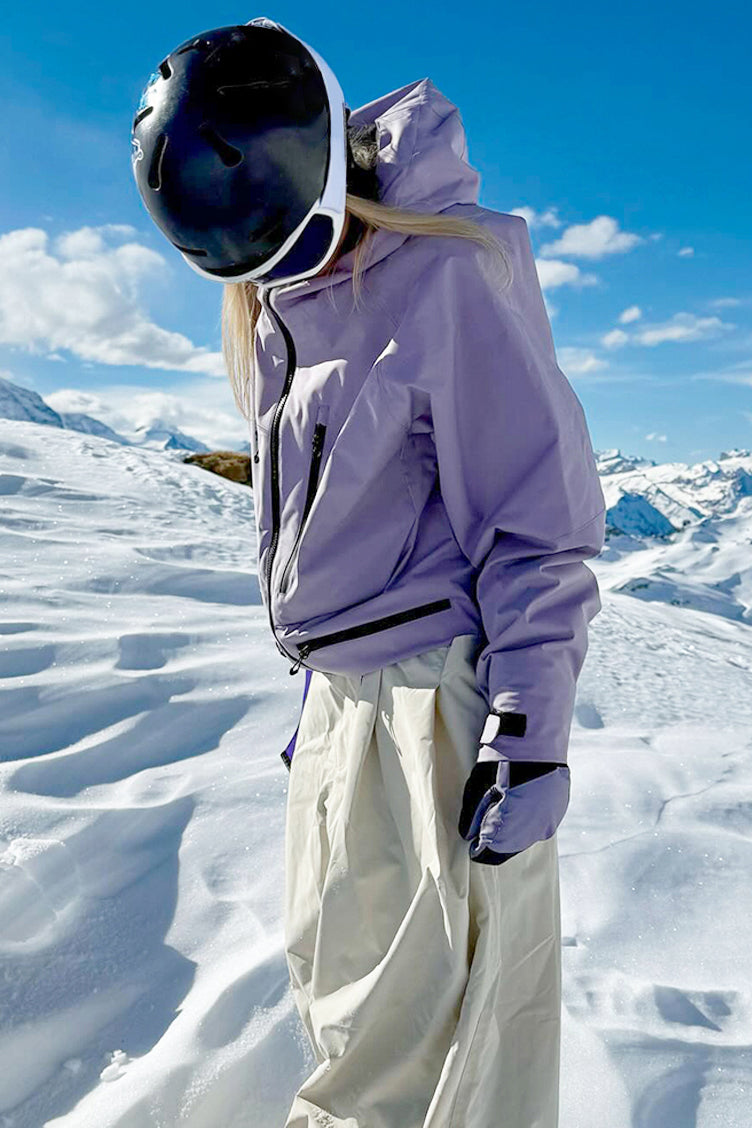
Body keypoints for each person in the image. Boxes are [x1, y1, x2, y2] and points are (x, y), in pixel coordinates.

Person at [131, 17, 606, 1128]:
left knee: (428, 1047)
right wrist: (321, 693)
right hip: (347, 707)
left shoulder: (444, 274)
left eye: (294, 245)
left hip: (434, 707)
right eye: (254, 264)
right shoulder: (281, 307)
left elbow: (538, 516)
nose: (284, 276)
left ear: (327, 177)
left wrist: (526, 732)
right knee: (344, 1009)